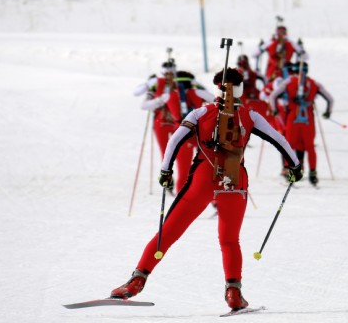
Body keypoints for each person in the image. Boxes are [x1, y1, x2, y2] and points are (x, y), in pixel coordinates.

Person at [111, 68, 303, 311]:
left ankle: (136, 281)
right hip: (235, 181)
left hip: (202, 178)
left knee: (167, 233)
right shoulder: (250, 115)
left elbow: (175, 140)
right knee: (229, 240)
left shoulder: (201, 112)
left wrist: (166, 171)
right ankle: (233, 292)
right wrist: (294, 166)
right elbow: (279, 139)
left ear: (216, 89)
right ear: (240, 89)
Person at [133, 60, 214, 193]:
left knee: (172, 158)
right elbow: (214, 99)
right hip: (194, 130)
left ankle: (174, 188)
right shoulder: (195, 92)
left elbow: (144, 104)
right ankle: (211, 198)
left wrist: (152, 96)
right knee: (202, 163)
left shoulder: (168, 94)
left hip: (176, 128)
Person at [268, 61, 334, 186]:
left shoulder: (289, 82)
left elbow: (273, 96)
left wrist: (275, 111)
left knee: (289, 145)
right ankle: (313, 172)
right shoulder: (315, 83)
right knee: (310, 147)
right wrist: (328, 112)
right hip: (308, 119)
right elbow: (330, 99)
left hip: (293, 118)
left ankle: (289, 171)